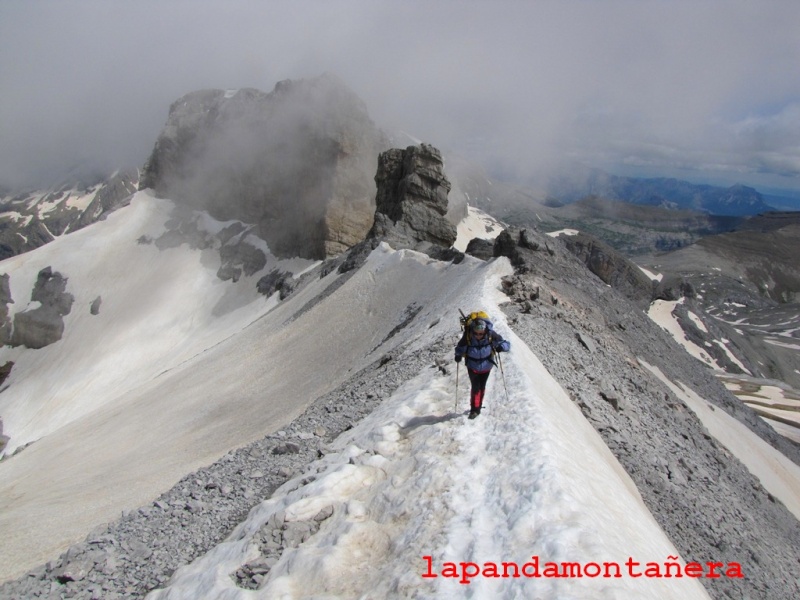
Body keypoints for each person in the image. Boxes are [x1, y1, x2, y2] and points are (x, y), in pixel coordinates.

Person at [454, 316, 510, 419]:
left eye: (480, 333)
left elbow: (506, 344)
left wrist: (501, 347)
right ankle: (475, 410)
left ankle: (478, 405)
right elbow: (460, 348)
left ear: (484, 331)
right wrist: (458, 355)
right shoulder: (468, 336)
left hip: (486, 366)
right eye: (476, 333)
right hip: (472, 366)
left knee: (482, 386)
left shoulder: (491, 335)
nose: (478, 335)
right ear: (472, 331)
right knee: (476, 387)